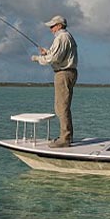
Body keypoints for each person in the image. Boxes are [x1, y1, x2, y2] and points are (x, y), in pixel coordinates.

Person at [31, 15, 78, 148]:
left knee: (61, 107)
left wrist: (38, 58)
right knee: (61, 106)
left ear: (59, 25)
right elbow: (56, 55)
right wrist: (47, 53)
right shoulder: (65, 37)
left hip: (64, 73)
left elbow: (54, 58)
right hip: (66, 72)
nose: (51, 29)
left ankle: (65, 138)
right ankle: (66, 135)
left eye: (52, 26)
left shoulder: (61, 37)